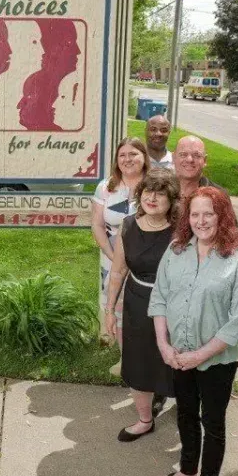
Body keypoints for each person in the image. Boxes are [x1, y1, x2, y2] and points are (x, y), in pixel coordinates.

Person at [149, 187, 238, 476]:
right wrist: (163, 344)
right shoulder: (176, 250)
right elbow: (159, 297)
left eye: (208, 214)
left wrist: (198, 355)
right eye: (194, 214)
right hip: (178, 356)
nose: (200, 221)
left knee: (212, 422)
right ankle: (187, 473)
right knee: (185, 413)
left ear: (222, 217)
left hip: (216, 362)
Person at [105, 168, 180, 441]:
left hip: (174, 308)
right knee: (138, 364)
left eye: (161, 193)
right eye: (148, 191)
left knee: (177, 364)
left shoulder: (181, 232)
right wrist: (109, 310)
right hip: (137, 303)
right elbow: (117, 271)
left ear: (172, 200)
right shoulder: (128, 226)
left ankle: (188, 423)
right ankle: (145, 420)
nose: (153, 197)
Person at [91, 138, 150, 368]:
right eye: (122, 155)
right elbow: (96, 225)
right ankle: (125, 357)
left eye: (133, 154)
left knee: (142, 308)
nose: (128, 159)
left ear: (144, 157)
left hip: (145, 260)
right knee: (114, 304)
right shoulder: (106, 186)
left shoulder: (154, 186)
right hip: (111, 256)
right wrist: (112, 254)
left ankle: (145, 356)